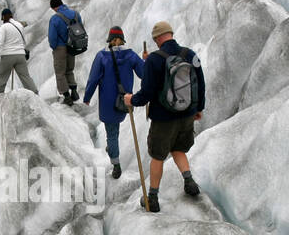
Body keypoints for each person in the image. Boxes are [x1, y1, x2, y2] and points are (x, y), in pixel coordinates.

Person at [124, 21, 205, 212]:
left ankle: (152, 197)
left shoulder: (155, 59)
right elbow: (200, 83)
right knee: (178, 149)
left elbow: (147, 92)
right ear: (170, 34)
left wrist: (131, 100)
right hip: (186, 114)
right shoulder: (189, 54)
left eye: (155, 39)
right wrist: (198, 107)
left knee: (158, 156)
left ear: (158, 38)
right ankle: (189, 182)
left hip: (163, 118)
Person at [82, 26, 144, 178]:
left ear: (109, 40)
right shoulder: (131, 55)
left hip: (108, 102)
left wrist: (87, 97)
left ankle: (116, 165)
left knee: (112, 133)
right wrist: (145, 60)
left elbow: (93, 79)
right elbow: (143, 73)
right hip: (125, 101)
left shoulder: (102, 56)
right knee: (114, 131)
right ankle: (112, 150)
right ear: (123, 39)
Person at [0, 8, 37, 93]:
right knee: (25, 77)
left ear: (4, 17)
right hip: (21, 56)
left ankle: (0, 94)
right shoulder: (20, 25)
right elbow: (24, 40)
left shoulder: (4, 27)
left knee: (2, 76)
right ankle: (35, 93)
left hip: (8, 56)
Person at [48, 0, 83, 105]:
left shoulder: (55, 18)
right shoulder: (75, 14)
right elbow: (80, 28)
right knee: (69, 69)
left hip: (60, 47)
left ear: (54, 7)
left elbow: (52, 37)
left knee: (60, 72)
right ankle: (74, 91)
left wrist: (54, 47)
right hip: (72, 46)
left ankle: (66, 96)